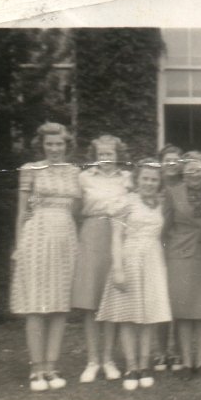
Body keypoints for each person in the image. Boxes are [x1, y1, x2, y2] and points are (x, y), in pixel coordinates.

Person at [10, 122, 81, 392]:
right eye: (49, 144)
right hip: (36, 237)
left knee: (60, 305)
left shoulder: (75, 173)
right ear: (42, 145)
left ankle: (52, 367)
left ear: (67, 146)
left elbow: (75, 209)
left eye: (59, 144)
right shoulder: (30, 170)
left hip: (65, 237)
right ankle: (36, 369)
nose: (54, 149)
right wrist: (18, 246)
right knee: (36, 305)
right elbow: (22, 211)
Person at [96, 158, 172, 391]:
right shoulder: (126, 202)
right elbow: (116, 236)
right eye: (145, 178)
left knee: (148, 316)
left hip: (153, 262)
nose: (149, 183)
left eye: (154, 179)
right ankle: (131, 367)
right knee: (128, 316)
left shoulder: (161, 204)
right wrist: (118, 268)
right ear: (137, 180)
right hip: (129, 259)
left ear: (159, 183)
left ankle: (144, 364)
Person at [72, 135, 131, 383]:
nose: (106, 158)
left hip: (119, 236)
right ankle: (92, 361)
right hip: (92, 234)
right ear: (95, 155)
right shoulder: (84, 178)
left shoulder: (127, 178)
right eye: (102, 154)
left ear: (118, 155)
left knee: (112, 299)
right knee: (90, 301)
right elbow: (75, 211)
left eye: (111, 154)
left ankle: (108, 360)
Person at [163, 152, 201, 380]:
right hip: (180, 256)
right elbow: (163, 229)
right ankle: (186, 362)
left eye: (199, 170)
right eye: (189, 170)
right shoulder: (171, 193)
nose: (194, 174)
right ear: (183, 171)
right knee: (184, 313)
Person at [151, 144, 184, 373]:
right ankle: (161, 352)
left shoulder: (185, 187)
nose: (171, 164)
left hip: (178, 248)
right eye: (167, 160)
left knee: (178, 300)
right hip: (155, 248)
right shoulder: (153, 187)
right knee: (160, 299)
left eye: (175, 160)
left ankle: (179, 351)